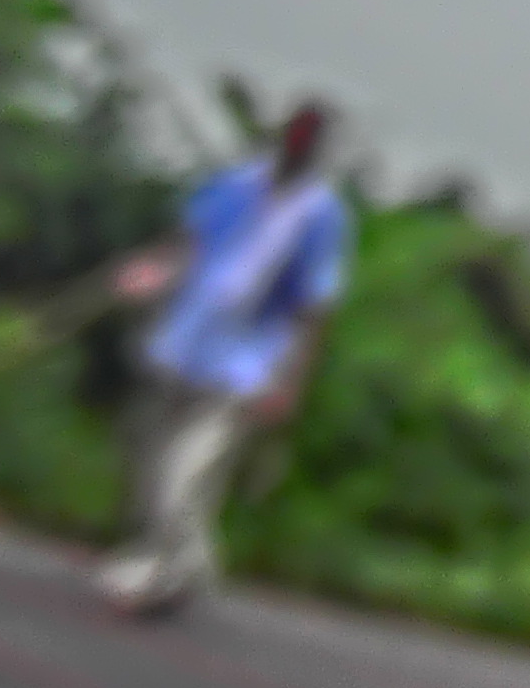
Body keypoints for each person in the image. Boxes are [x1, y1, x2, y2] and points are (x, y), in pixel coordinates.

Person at [94, 100, 351, 618]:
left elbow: (313, 308)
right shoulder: (235, 184)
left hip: (247, 360)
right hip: (184, 338)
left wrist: (289, 383)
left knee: (185, 471)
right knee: (151, 459)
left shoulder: (324, 217)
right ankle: (175, 563)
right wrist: (148, 273)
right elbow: (185, 244)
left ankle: (174, 567)